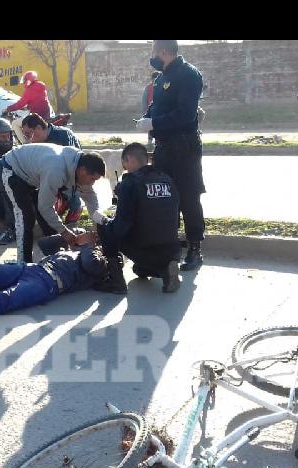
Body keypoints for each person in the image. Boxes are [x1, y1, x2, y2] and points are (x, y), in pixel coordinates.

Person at [136, 40, 206, 271]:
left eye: (153, 51)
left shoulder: (188, 74)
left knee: (188, 196)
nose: (152, 55)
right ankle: (169, 246)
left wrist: (154, 122)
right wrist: (147, 119)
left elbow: (186, 114)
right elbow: (157, 106)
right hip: (164, 146)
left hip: (185, 147)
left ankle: (195, 249)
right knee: (164, 196)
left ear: (163, 51)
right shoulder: (161, 77)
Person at [0, 143, 106, 264]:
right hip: (12, 170)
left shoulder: (79, 165)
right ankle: (23, 265)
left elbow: (90, 198)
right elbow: (45, 207)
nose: (92, 183)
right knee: (25, 218)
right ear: (83, 171)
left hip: (33, 175)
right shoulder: (57, 171)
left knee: (49, 224)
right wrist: (65, 232)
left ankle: (56, 262)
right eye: (92, 179)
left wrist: (100, 221)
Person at [95, 142, 181, 294]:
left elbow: (121, 227)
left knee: (104, 226)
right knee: (139, 269)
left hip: (145, 248)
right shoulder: (167, 180)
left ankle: (116, 282)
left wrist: (105, 221)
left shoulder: (130, 183)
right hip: (172, 248)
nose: (125, 169)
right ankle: (165, 268)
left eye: (124, 164)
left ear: (129, 159)